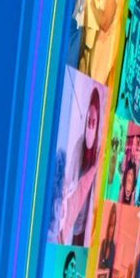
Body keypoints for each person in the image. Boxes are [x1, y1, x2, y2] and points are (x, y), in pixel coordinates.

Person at [58, 86, 102, 246]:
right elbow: (70, 180)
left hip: (85, 228)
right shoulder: (79, 146)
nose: (90, 125)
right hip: (72, 222)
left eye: (94, 122)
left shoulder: (98, 154)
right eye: (88, 121)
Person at [88, 0, 124, 86]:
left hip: (107, 48)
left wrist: (92, 5)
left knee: (97, 87)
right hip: (99, 43)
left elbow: (105, 22)